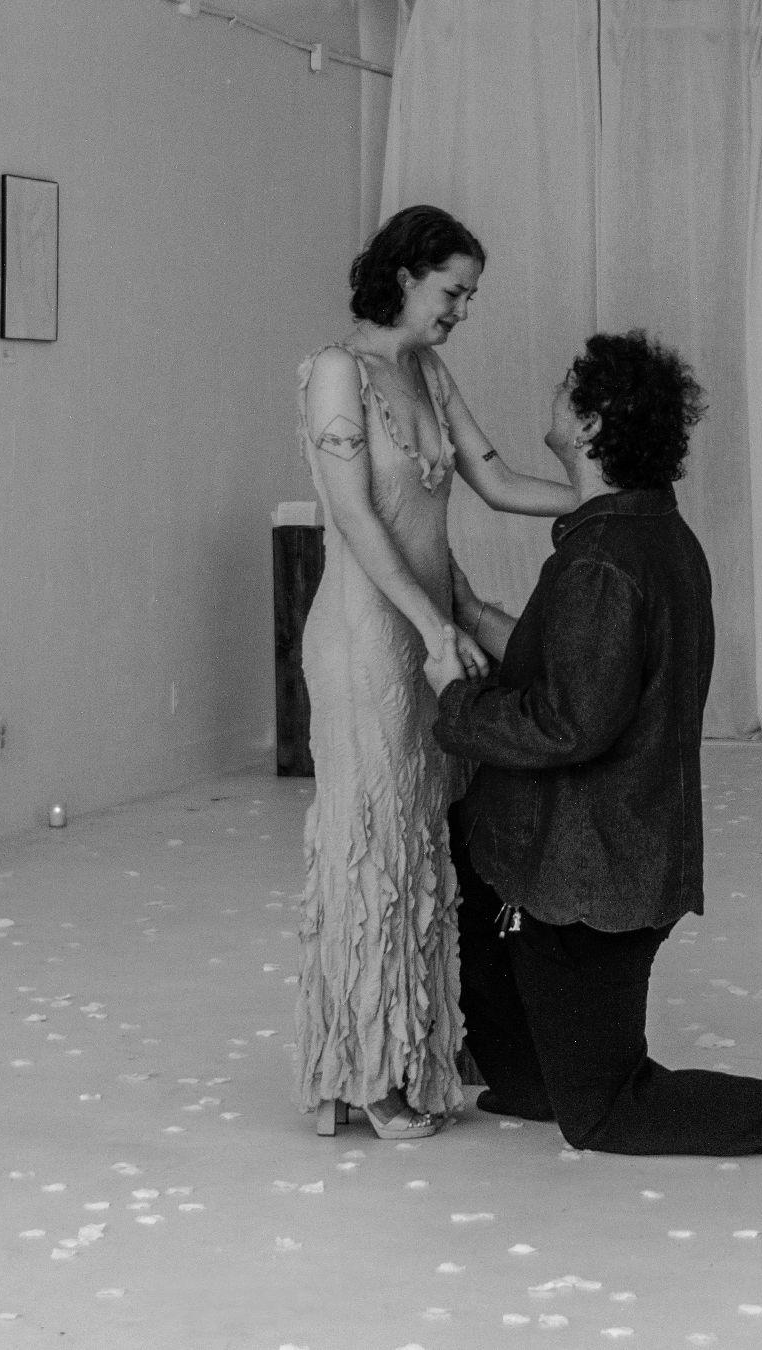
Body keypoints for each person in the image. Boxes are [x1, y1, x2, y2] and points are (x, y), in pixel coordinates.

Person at [425, 329, 762, 1157]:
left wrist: (456, 699)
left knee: (603, 1113)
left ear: (591, 423)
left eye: (570, 384)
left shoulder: (604, 564)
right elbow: (577, 673)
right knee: (528, 1059)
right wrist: (471, 614)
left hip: (592, 884)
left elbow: (567, 723)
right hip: (612, 862)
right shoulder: (649, 536)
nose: (556, 390)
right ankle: (536, 1069)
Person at [293, 206, 577, 1141]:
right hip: (368, 638)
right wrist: (433, 628)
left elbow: (495, 479)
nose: (461, 310)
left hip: (428, 635)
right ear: (406, 275)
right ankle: (367, 1070)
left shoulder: (427, 370)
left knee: (426, 840)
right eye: (453, 291)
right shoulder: (337, 373)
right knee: (373, 845)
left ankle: (416, 1042)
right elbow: (358, 520)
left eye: (470, 296)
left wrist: (605, 499)